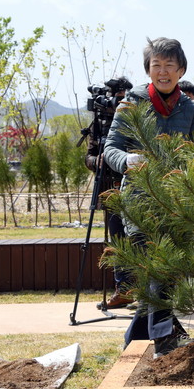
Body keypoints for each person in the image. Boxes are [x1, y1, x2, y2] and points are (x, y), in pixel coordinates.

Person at [103, 37, 194, 356]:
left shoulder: (190, 110)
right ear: (148, 70)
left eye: (169, 65)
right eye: (156, 65)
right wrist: (126, 161)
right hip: (140, 202)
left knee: (161, 273)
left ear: (181, 70)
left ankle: (136, 338)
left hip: (176, 203)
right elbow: (110, 149)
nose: (163, 72)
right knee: (159, 268)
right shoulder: (131, 105)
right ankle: (164, 339)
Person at [84, 78, 133, 310]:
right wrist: (99, 160)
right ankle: (122, 290)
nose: (117, 103)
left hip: (135, 188)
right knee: (117, 241)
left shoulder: (133, 119)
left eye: (122, 98)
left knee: (139, 239)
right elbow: (89, 156)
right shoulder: (100, 122)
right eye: (115, 98)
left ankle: (144, 291)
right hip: (108, 189)